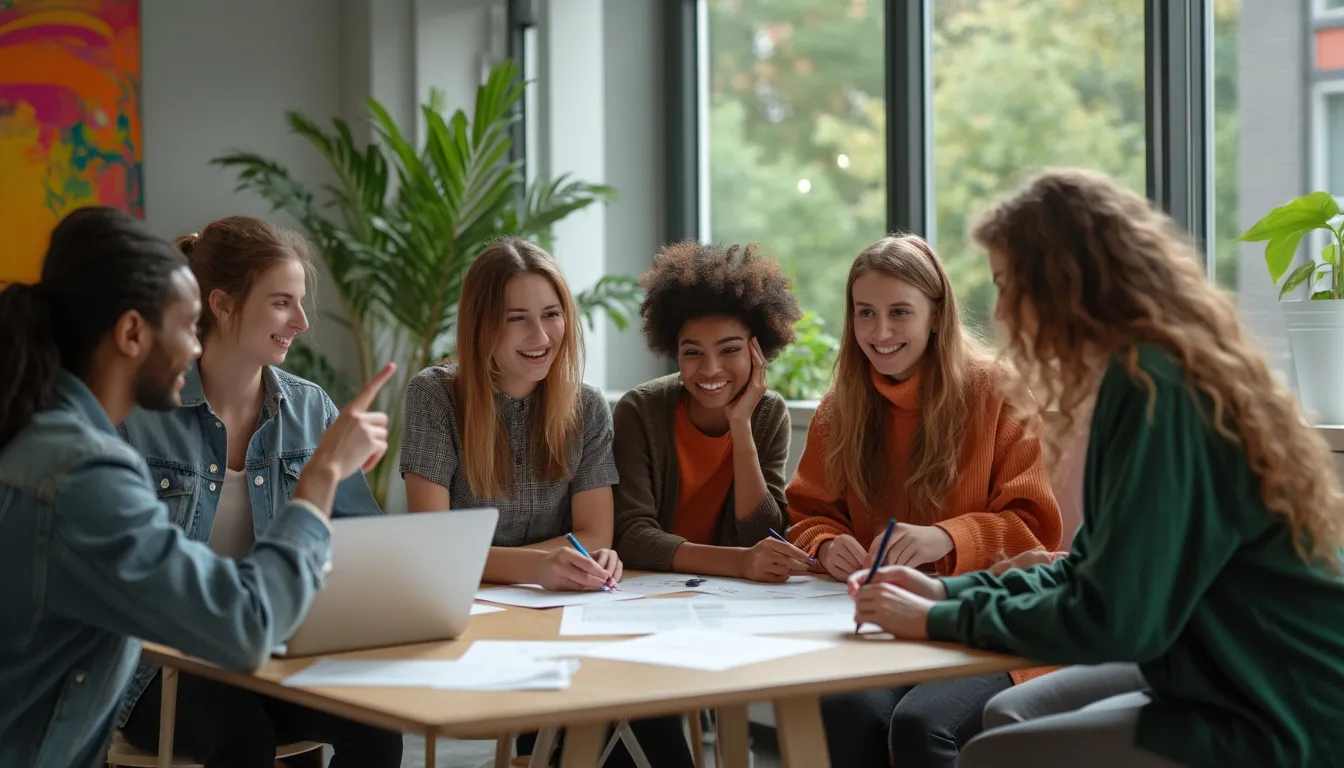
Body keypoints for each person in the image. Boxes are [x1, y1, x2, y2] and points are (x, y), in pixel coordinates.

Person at [847, 169, 1344, 768]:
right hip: (1207, 668)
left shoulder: (1157, 393)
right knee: (1008, 716)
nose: (998, 309)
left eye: (1006, 285)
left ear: (1061, 283)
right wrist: (946, 589)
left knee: (992, 754)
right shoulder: (1137, 378)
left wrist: (939, 617)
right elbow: (1090, 569)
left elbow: (1117, 619)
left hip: (1274, 704)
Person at [0, 207, 393, 768]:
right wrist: (320, 479)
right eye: (187, 327)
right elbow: (242, 625)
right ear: (132, 333)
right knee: (239, 731)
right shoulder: (86, 474)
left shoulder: (47, 438)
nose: (194, 347)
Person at [114, 217, 402, 766]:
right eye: (281, 302)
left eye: (300, 302)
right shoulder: (140, 415)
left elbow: (359, 546)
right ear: (222, 305)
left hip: (276, 651)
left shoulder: (310, 408)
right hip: (162, 667)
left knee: (378, 725)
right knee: (242, 736)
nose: (301, 321)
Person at [400, 236, 695, 768]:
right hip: (471, 619)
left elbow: (595, 533)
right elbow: (433, 546)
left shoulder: (586, 406)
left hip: (560, 611)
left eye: (552, 315)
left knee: (647, 696)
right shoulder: (435, 395)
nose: (540, 336)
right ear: (481, 325)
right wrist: (540, 566)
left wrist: (581, 562)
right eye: (517, 319)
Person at [786, 234, 1063, 768]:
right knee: (847, 707)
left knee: (922, 724)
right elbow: (807, 511)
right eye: (865, 313)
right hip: (893, 621)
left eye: (900, 312)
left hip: (993, 619)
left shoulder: (998, 391)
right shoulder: (841, 407)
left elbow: (1034, 531)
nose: (880, 332)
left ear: (936, 315)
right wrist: (825, 544)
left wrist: (946, 538)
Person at [613, 241, 813, 580]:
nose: (710, 369)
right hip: (650, 589)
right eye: (693, 353)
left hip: (730, 595)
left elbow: (763, 534)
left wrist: (740, 424)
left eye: (729, 350)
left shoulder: (768, 413)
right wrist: (739, 563)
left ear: (757, 351)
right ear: (675, 352)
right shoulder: (641, 411)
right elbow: (631, 537)